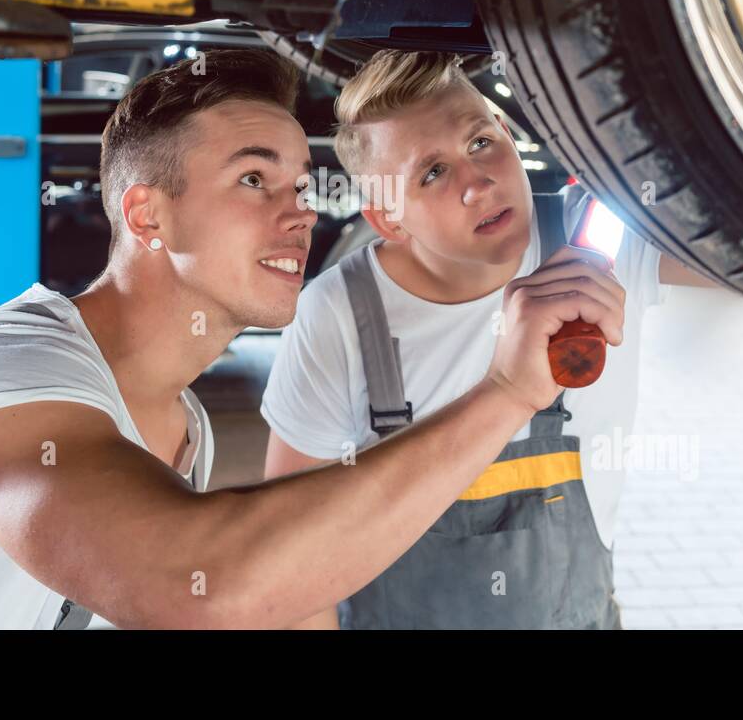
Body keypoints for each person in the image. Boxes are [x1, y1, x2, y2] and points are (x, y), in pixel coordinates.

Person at [0, 48, 621, 629]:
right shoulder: (3, 370)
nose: (299, 209)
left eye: (300, 183)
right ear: (148, 214)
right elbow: (201, 588)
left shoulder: (175, 426)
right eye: (254, 179)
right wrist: (507, 392)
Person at [263, 50, 714, 628]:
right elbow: (292, 554)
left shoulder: (600, 239)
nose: (477, 182)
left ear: (505, 131)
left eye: (480, 143)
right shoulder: (337, 314)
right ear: (387, 220)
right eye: (432, 173)